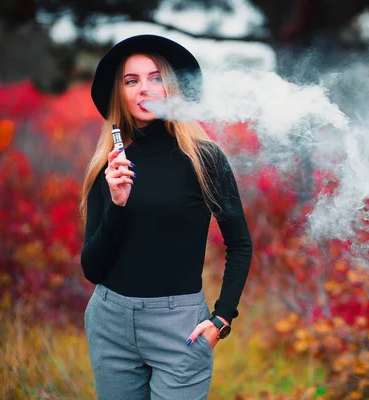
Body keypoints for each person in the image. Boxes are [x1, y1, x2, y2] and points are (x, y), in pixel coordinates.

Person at [78, 34, 253, 400]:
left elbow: (239, 244)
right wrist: (117, 203)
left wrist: (222, 319)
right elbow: (93, 269)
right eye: (132, 80)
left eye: (156, 77)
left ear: (172, 87)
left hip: (180, 326)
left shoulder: (205, 159)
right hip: (110, 322)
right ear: (120, 94)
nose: (145, 89)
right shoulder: (108, 166)